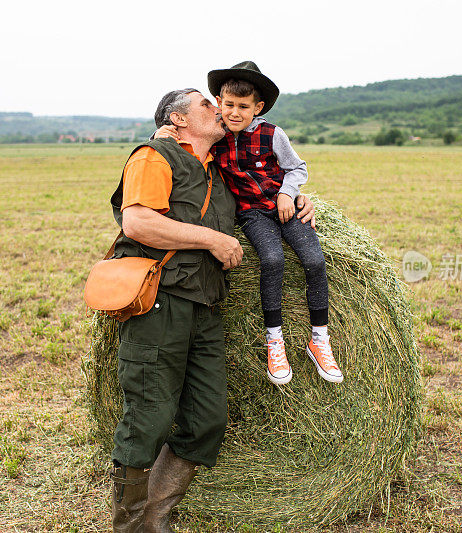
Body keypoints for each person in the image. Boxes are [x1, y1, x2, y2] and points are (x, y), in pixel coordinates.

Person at [107, 88, 316, 532]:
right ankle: (131, 527)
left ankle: (156, 518)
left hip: (206, 306)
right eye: (207, 104)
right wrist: (213, 240)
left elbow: (266, 187)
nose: (219, 109)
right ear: (178, 120)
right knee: (149, 416)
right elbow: (138, 221)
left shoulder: (219, 170)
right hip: (160, 302)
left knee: (207, 420)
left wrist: (299, 199)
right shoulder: (153, 156)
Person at [157, 61, 343, 386]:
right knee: (272, 260)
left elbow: (296, 168)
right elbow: (183, 146)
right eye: (227, 105)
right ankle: (275, 340)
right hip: (251, 214)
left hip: (283, 208)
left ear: (257, 108)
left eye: (243, 106)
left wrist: (291, 193)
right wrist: (159, 135)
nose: (234, 112)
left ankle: (319, 338)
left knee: (315, 260)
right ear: (219, 102)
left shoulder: (273, 134)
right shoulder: (217, 138)